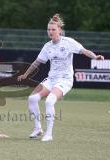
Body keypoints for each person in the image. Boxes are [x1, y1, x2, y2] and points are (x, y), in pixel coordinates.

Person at [17, 13, 105, 142]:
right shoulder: (47, 46)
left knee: (49, 101)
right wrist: (25, 74)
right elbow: (37, 62)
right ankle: (38, 129)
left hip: (65, 79)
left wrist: (95, 57)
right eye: (49, 29)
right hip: (52, 78)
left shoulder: (68, 42)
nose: (50, 32)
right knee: (32, 98)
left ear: (60, 30)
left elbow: (84, 51)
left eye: (53, 29)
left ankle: (49, 134)